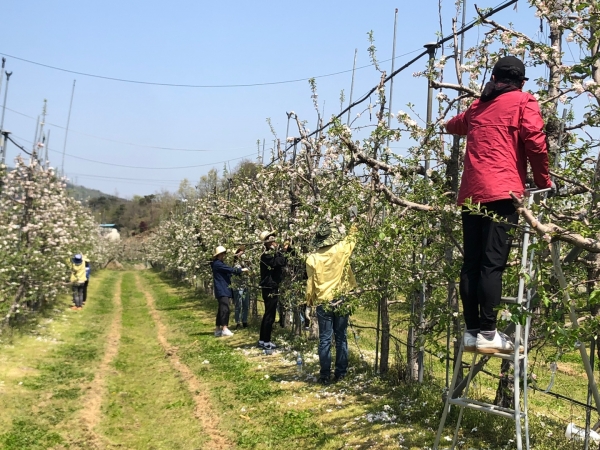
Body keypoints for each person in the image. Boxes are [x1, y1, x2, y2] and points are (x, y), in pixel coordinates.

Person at [445, 55, 553, 354]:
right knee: (492, 264)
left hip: (471, 194)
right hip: (503, 193)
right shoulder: (524, 101)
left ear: (493, 79)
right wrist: (543, 180)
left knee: (471, 262)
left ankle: (471, 332)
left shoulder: (478, 106)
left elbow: (454, 125)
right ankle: (488, 333)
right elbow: (535, 142)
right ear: (521, 81)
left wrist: (451, 122)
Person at [306, 210, 358, 384]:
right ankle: (341, 373)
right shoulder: (341, 249)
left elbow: (310, 284)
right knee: (341, 336)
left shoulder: (312, 259)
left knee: (325, 339)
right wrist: (355, 221)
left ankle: (324, 375)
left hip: (323, 302)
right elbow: (352, 238)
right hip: (341, 298)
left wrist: (310, 302)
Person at [258, 230, 290, 350]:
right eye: (272, 240)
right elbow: (281, 262)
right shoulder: (266, 256)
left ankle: (262, 339)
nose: (275, 241)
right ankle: (266, 341)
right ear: (267, 243)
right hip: (270, 287)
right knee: (270, 315)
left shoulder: (271, 254)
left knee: (268, 314)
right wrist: (284, 250)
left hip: (270, 286)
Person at [211, 246, 248, 337]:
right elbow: (230, 270)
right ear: (220, 254)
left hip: (222, 288)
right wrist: (241, 270)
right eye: (223, 254)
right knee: (225, 308)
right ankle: (224, 328)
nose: (224, 255)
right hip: (222, 288)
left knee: (221, 309)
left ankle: (217, 329)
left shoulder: (218, 263)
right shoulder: (218, 264)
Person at [232, 247, 250, 330]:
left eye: (243, 252)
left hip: (246, 285)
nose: (242, 253)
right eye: (240, 252)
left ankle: (244, 321)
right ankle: (238, 322)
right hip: (238, 286)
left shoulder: (246, 262)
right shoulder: (236, 264)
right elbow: (237, 271)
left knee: (246, 304)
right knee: (238, 305)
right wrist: (244, 269)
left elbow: (250, 270)